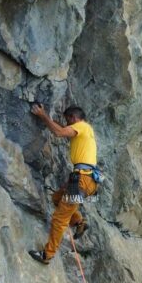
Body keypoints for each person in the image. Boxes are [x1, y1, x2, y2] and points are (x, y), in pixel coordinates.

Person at [28, 103, 100, 265]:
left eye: (68, 121)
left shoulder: (82, 127)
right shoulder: (85, 131)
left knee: (59, 219)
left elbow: (59, 132)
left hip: (83, 180)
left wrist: (42, 115)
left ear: (74, 118)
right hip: (84, 179)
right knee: (57, 198)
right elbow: (63, 130)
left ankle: (47, 255)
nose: (68, 125)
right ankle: (79, 223)